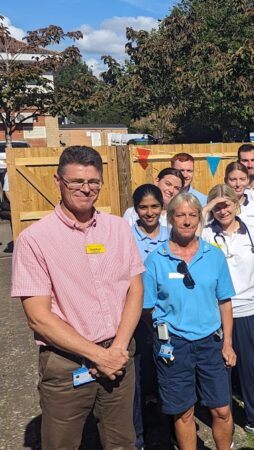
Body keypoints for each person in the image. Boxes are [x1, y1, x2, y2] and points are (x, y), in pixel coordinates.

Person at [11, 145, 144, 449]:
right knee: (62, 444)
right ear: (58, 181)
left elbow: (134, 289)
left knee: (122, 442)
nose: (86, 189)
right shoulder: (35, 240)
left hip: (120, 354)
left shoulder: (118, 229)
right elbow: (38, 317)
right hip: (67, 362)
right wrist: (99, 356)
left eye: (93, 182)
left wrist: (118, 348)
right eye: (76, 182)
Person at [143, 192, 237, 450]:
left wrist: (227, 343)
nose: (187, 221)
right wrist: (166, 331)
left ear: (200, 218)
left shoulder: (214, 256)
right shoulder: (156, 260)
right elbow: (147, 308)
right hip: (175, 345)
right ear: (170, 218)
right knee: (183, 412)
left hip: (210, 342)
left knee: (221, 409)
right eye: (180, 215)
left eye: (192, 215)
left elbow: (225, 301)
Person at [200, 184, 254, 440]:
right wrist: (207, 210)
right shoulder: (206, 234)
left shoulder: (253, 232)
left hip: (249, 309)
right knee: (222, 369)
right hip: (217, 312)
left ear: (237, 204)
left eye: (227, 204)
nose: (222, 210)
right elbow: (186, 235)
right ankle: (225, 422)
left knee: (253, 367)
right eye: (217, 206)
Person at [130, 183, 170, 449]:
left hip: (167, 314)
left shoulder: (171, 234)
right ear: (135, 210)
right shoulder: (126, 237)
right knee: (138, 373)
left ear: (162, 207)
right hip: (135, 315)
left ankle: (171, 428)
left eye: (154, 206)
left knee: (167, 370)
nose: (149, 212)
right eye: (143, 207)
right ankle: (138, 434)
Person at [221, 161, 254, 236]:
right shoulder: (217, 209)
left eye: (242, 179)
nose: (238, 184)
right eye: (233, 180)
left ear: (248, 180)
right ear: (226, 180)